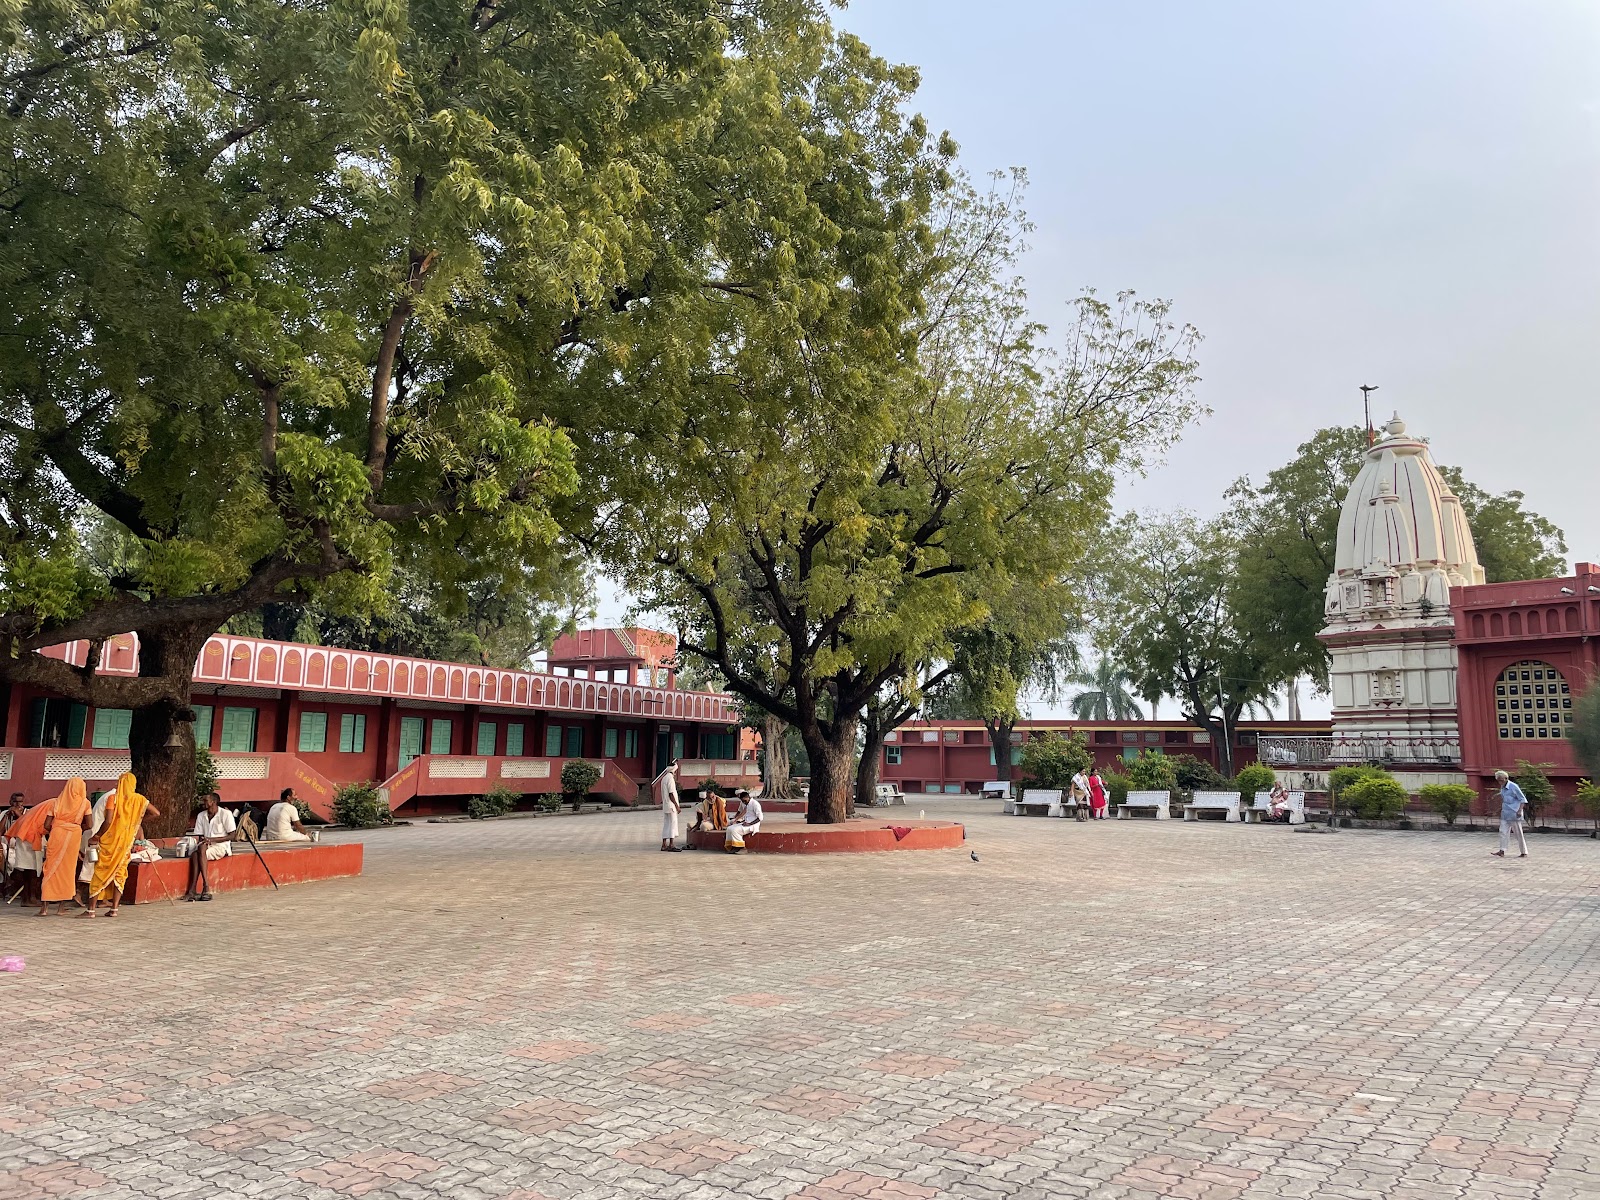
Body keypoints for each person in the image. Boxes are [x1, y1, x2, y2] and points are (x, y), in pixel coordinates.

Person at [85, 774, 161, 918]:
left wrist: (96, 836)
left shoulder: (113, 798)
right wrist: (136, 820)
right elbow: (156, 813)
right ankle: (114, 909)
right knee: (120, 874)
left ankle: (91, 910)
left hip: (110, 842)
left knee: (100, 872)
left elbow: (108, 821)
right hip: (126, 843)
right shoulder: (140, 799)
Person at [38, 779, 92, 917]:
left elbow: (46, 825)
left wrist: (59, 827)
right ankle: (61, 908)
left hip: (57, 834)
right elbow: (90, 825)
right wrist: (75, 826)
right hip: (74, 835)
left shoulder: (56, 802)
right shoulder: (85, 803)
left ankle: (44, 908)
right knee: (67, 870)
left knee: (50, 867)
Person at [185, 792, 236, 900]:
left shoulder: (226, 814)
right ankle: (198, 889)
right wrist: (205, 841)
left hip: (221, 846)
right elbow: (200, 836)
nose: (202, 803)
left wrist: (211, 840)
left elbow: (232, 835)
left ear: (213, 802)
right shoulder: (201, 815)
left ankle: (202, 887)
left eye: (205, 801)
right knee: (197, 852)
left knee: (197, 853)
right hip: (206, 846)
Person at [1, 792, 40, 905]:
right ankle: (23, 896)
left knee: (30, 870)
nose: (18, 805)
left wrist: (18, 815)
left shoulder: (28, 813)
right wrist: (6, 816)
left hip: (26, 846)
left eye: (20, 802)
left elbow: (29, 826)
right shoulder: (5, 813)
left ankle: (30, 897)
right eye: (15, 802)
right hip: (9, 848)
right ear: (10, 802)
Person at [1491, 769, 1528, 859]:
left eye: (1501, 780)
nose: (1500, 782)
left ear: (1506, 778)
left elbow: (1522, 799)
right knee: (1503, 832)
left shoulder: (1513, 786)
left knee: (1518, 833)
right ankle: (1502, 850)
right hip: (1505, 813)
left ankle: (1524, 852)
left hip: (1514, 813)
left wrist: (1519, 810)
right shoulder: (1502, 787)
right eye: (1498, 780)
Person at [657, 762, 682, 852]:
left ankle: (664, 844)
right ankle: (671, 845)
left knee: (666, 824)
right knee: (672, 824)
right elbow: (671, 794)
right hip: (671, 806)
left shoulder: (664, 778)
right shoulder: (670, 778)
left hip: (666, 805)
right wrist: (677, 806)